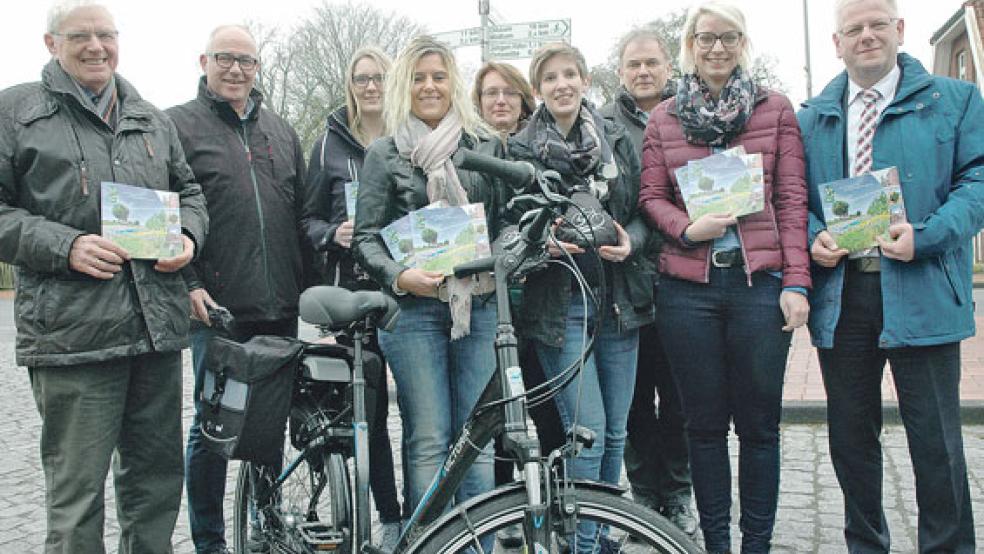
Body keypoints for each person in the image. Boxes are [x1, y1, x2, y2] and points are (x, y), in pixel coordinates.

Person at [0, 2, 208, 552]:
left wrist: (187, 234)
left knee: (156, 488)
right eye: (81, 36)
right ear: (51, 44)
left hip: (153, 330)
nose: (96, 46)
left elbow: (189, 192)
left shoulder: (148, 116)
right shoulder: (15, 112)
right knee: (77, 498)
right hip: (73, 338)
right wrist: (64, 246)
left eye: (106, 35)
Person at [798, 0, 981, 551]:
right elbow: (795, 196)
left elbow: (977, 182)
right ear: (838, 42)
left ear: (900, 30)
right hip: (844, 295)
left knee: (937, 442)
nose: (867, 36)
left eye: (878, 24)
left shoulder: (954, 100)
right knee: (851, 440)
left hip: (921, 287)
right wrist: (812, 235)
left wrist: (925, 236)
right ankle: (866, 545)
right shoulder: (812, 116)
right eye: (854, 28)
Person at [638, 2, 811, 552]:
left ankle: (754, 543)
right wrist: (688, 229)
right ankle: (715, 543)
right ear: (690, 44)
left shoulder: (775, 109)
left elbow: (791, 198)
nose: (717, 48)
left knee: (760, 429)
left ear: (742, 43)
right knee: (704, 430)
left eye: (728, 37)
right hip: (689, 291)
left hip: (759, 288)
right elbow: (649, 198)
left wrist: (797, 283)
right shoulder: (663, 117)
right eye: (706, 38)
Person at [351, 37, 509, 546]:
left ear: (453, 83)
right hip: (413, 313)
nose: (429, 86)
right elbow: (365, 238)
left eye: (438, 76)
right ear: (404, 85)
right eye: (418, 77)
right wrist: (399, 276)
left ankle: (479, 543)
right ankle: (432, 542)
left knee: (477, 440)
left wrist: (496, 256)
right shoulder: (384, 153)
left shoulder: (483, 147)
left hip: (478, 307)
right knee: (430, 438)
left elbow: (506, 223)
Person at [166, 25, 306, 554]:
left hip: (280, 305)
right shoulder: (176, 126)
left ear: (258, 68)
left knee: (267, 426)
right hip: (217, 308)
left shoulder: (280, 131)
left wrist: (310, 291)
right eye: (225, 58)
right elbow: (165, 216)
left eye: (247, 61)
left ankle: (266, 524)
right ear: (204, 60)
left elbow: (299, 218)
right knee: (213, 428)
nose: (236, 70)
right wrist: (188, 283)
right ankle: (210, 542)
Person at [508, 41, 653, 551]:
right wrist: (540, 242)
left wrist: (629, 237)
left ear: (586, 81)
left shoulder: (614, 137)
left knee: (615, 432)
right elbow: (509, 225)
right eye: (550, 78)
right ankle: (584, 545)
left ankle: (597, 532)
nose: (562, 84)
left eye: (571, 74)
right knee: (585, 433)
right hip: (560, 307)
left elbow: (643, 210)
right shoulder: (521, 149)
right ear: (538, 90)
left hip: (616, 303)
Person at [300, 46, 403, 550]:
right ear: (350, 85)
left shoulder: (409, 137)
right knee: (369, 410)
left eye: (379, 77)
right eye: (361, 78)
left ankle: (431, 503)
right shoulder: (327, 147)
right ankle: (387, 514)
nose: (370, 87)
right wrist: (329, 236)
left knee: (426, 409)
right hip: (354, 294)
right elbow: (306, 219)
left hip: (409, 288)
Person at [599, 27, 696, 536]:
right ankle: (643, 498)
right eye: (633, 64)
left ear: (667, 67)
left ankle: (678, 494)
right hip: (625, 284)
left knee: (679, 397)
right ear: (621, 71)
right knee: (633, 402)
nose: (642, 72)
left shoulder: (690, 116)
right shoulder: (602, 125)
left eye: (651, 63)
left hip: (682, 275)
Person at [471, 61, 535, 135]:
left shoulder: (544, 143)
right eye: (492, 93)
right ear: (479, 101)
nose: (501, 101)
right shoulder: (462, 143)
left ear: (523, 102)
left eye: (510, 93)